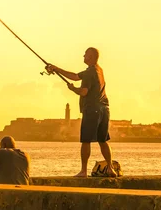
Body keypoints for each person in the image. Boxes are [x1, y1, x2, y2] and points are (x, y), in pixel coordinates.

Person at [45, 47, 117, 177]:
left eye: (85, 55)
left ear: (91, 57)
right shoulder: (99, 70)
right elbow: (75, 76)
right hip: (104, 109)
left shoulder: (90, 72)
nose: (83, 56)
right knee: (103, 140)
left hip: (92, 109)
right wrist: (56, 69)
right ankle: (110, 168)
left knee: (86, 141)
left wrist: (73, 89)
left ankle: (83, 171)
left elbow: (84, 91)